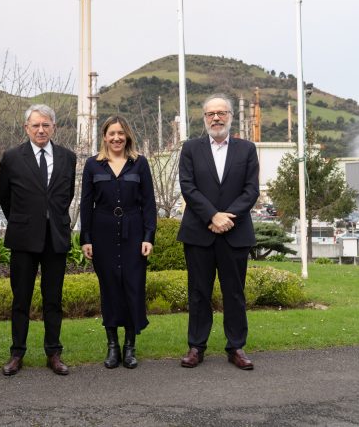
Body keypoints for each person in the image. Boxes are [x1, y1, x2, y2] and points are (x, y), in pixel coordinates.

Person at [177, 94, 259, 371]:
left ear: (231, 117)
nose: (216, 118)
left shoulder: (247, 149)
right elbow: (188, 187)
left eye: (221, 113)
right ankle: (196, 347)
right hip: (200, 233)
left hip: (235, 234)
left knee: (234, 292)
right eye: (211, 114)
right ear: (204, 118)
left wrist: (226, 218)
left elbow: (251, 190)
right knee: (198, 292)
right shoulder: (190, 149)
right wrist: (212, 215)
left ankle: (236, 346)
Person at [0, 104, 77, 376]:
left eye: (46, 125)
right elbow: (4, 197)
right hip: (23, 238)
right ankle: (17, 353)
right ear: (26, 128)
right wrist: (23, 219)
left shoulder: (68, 157)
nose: (41, 129)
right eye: (35, 125)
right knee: (21, 299)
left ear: (53, 127)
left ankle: (53, 352)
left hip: (55, 237)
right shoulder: (11, 158)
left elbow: (66, 194)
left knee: (53, 298)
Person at [79, 115, 157, 369]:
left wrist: (148, 237)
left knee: (133, 288)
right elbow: (85, 205)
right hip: (102, 234)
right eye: (111, 133)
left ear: (127, 136)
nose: (116, 138)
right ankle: (112, 346)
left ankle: (130, 346)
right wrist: (86, 238)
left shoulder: (140, 164)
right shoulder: (93, 165)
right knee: (110, 288)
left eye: (120, 133)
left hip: (134, 233)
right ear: (104, 136)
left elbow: (149, 205)